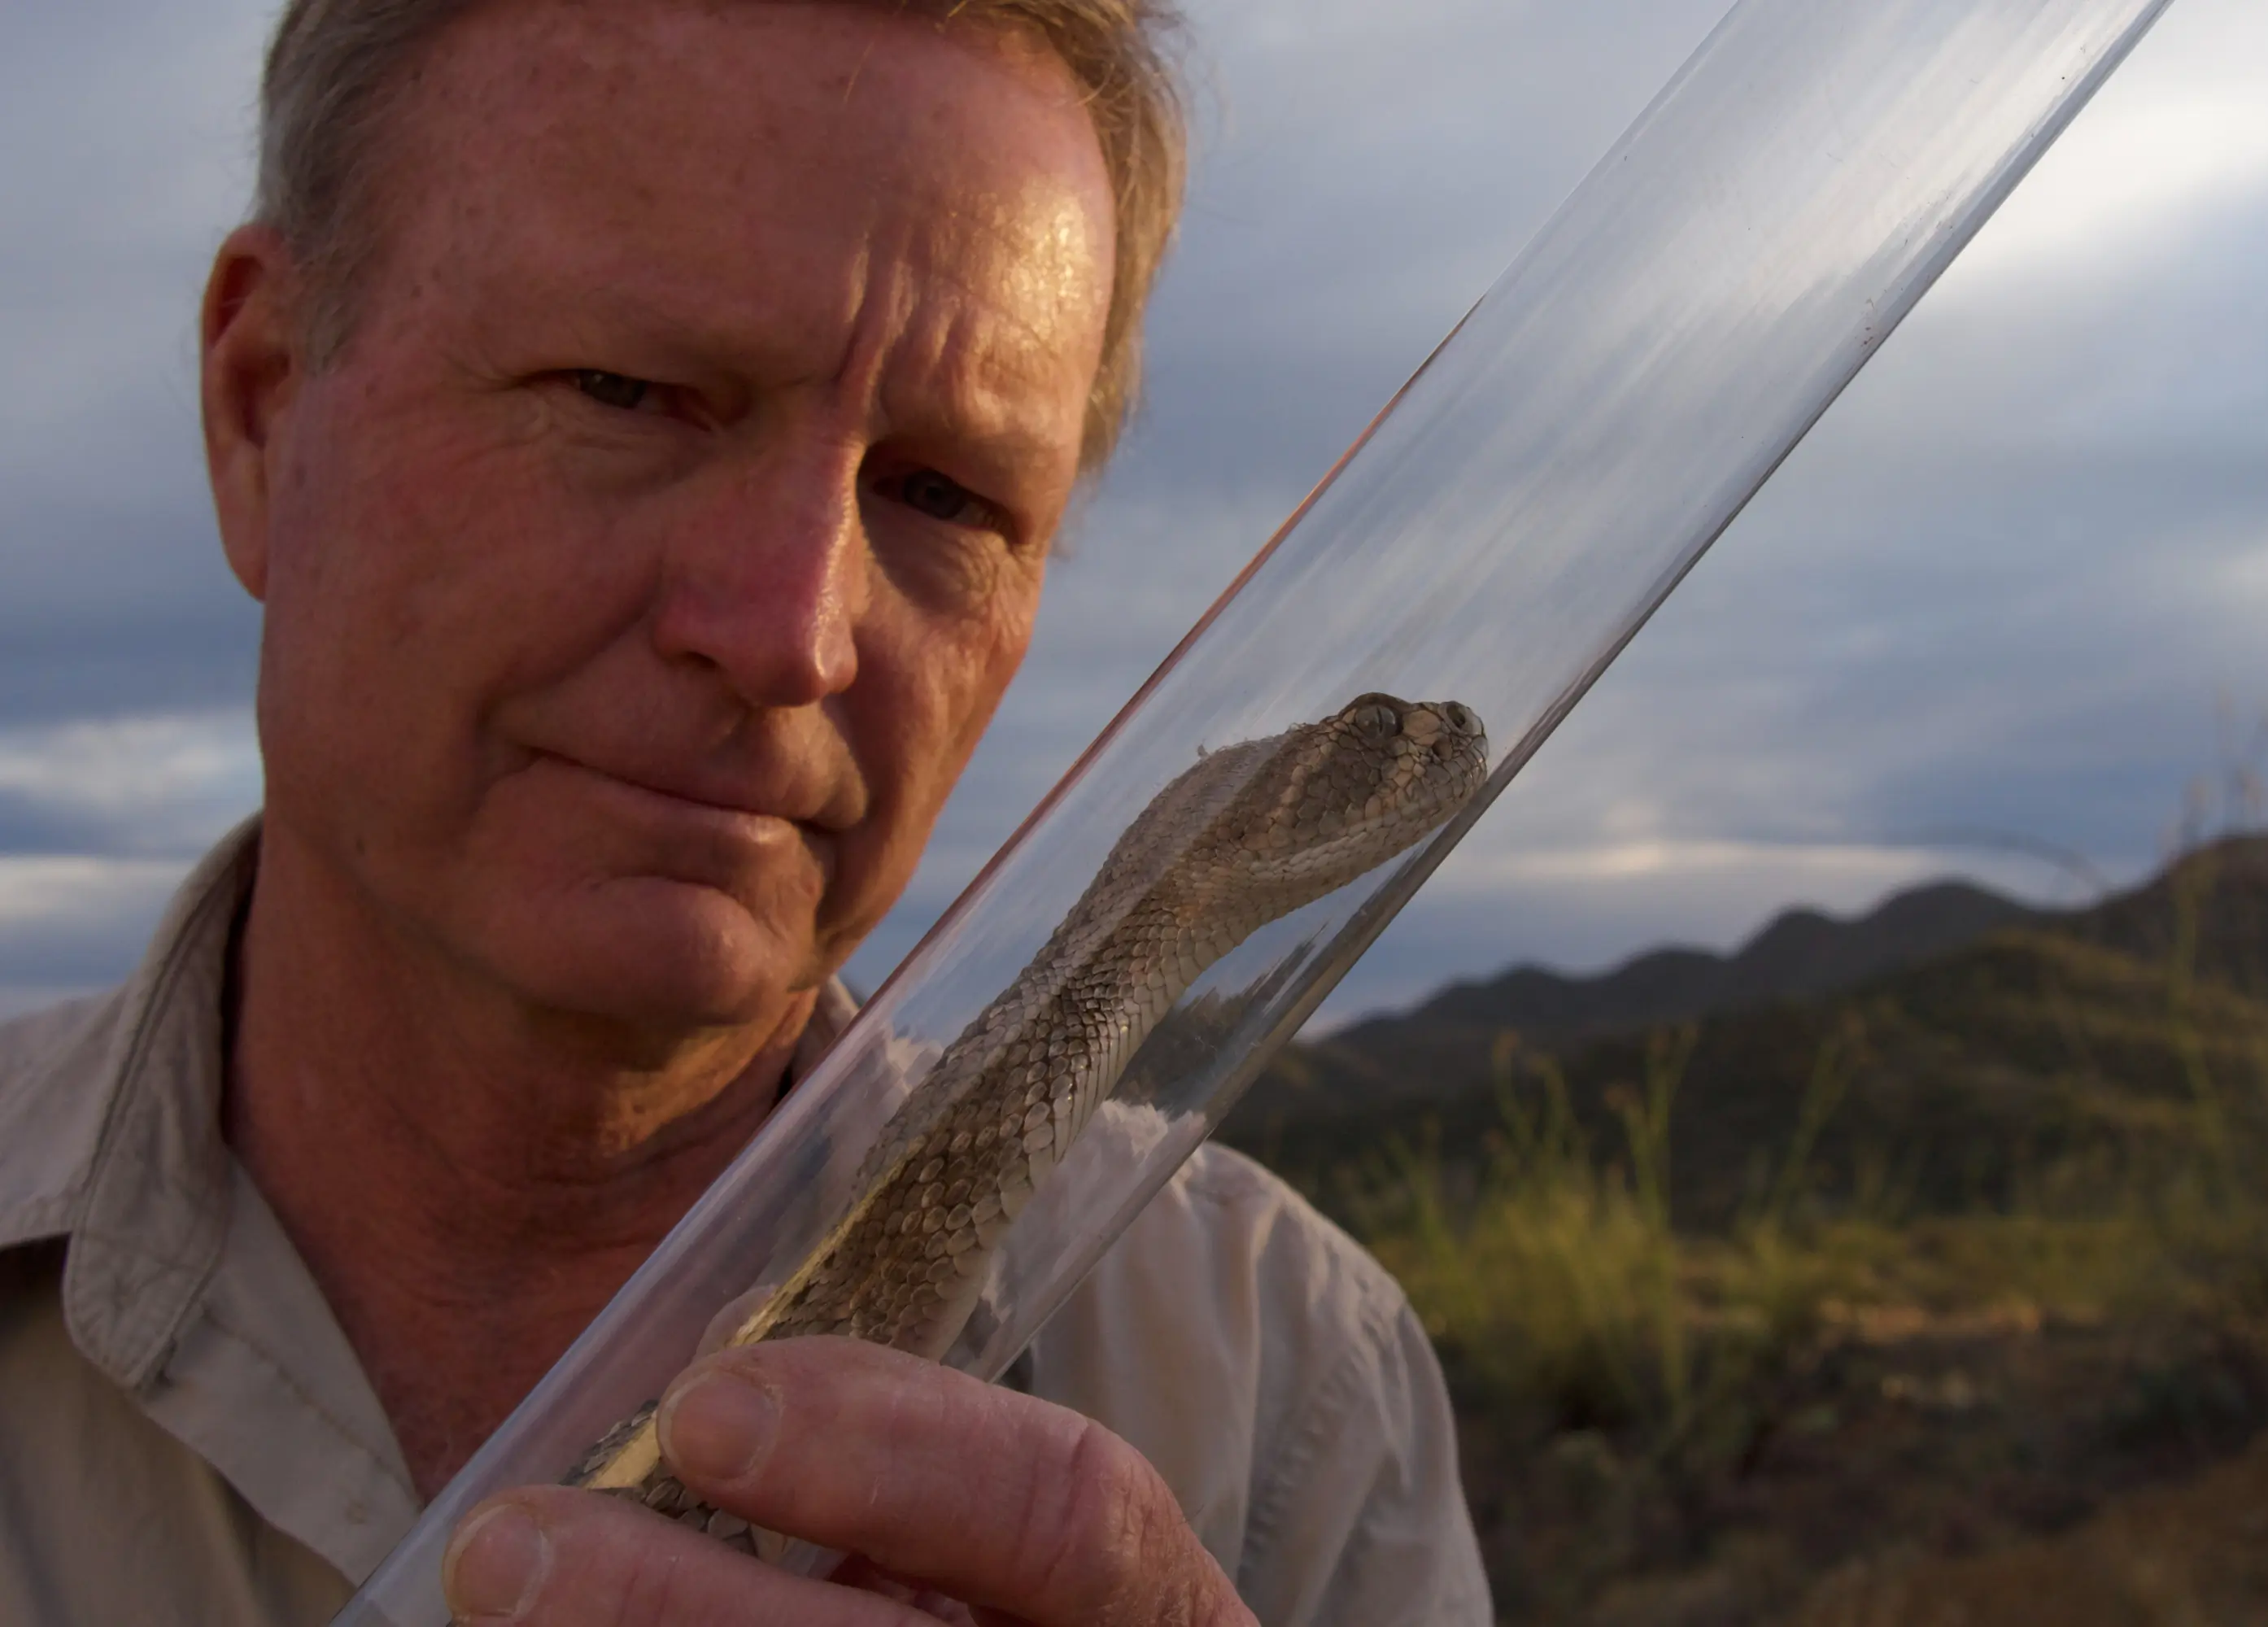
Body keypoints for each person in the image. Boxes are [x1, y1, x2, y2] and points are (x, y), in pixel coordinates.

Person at [0, 1, 1493, 1622]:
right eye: (627, 391)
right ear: (262, 403)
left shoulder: (1294, 1394)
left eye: (944, 494)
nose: (792, 631)